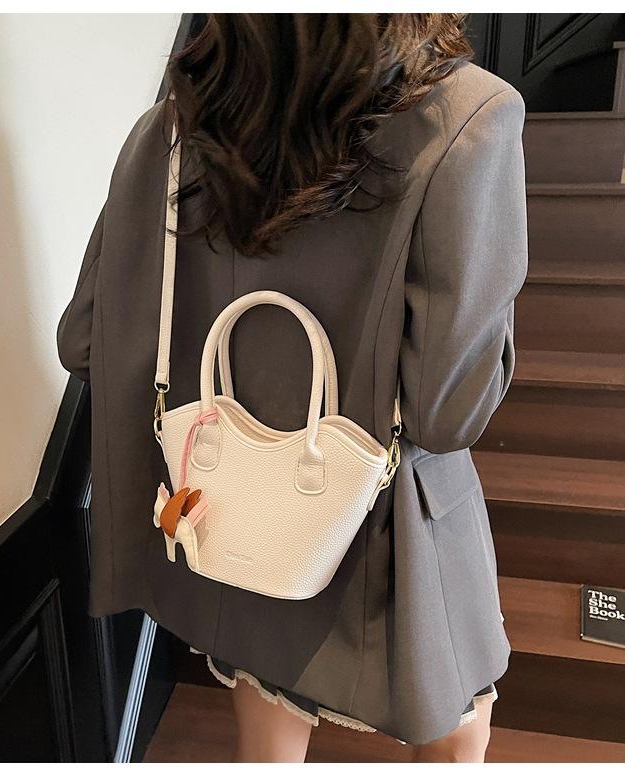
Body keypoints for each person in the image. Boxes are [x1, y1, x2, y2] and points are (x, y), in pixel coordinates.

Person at [56, 13, 528, 763]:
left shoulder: (169, 133)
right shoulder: (468, 118)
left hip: (234, 519)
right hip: (390, 538)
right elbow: (447, 413)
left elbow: (84, 340)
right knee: (456, 725)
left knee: (268, 715)